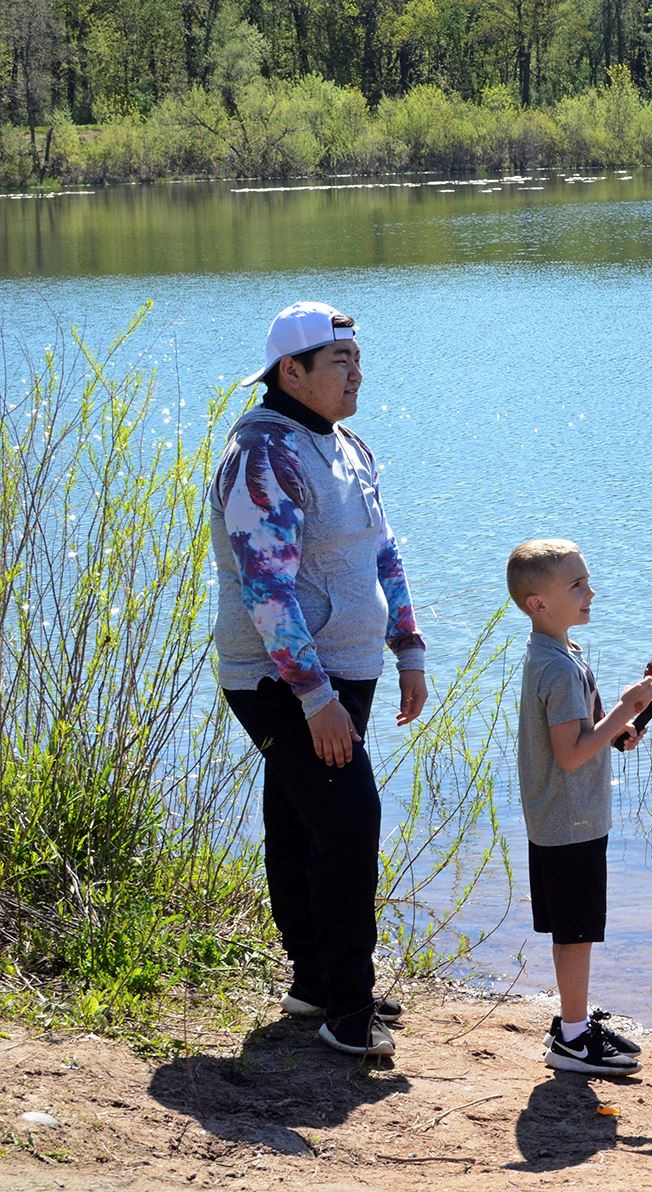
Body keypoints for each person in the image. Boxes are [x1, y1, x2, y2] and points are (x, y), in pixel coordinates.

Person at [210, 301, 427, 1058]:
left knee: (301, 819)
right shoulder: (263, 455)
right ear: (289, 372)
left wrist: (408, 648)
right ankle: (346, 1008)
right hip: (282, 679)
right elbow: (265, 590)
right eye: (339, 362)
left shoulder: (346, 445)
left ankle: (315, 983)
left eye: (356, 358)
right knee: (348, 822)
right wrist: (315, 698)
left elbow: (383, 553)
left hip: (349, 668)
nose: (356, 372)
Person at [507, 538, 652, 1075]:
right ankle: (572, 1038)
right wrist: (623, 707)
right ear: (538, 603)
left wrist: (624, 727)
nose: (589, 591)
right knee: (576, 932)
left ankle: (573, 1022)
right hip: (569, 821)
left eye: (587, 581)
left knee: (574, 928)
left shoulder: (558, 654)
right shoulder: (556, 668)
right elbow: (571, 756)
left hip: (562, 819)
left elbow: (586, 736)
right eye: (576, 585)